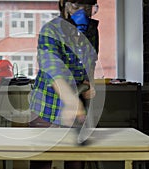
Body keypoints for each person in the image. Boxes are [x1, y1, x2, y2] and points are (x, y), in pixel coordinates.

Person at [29, 0, 99, 168]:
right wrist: (71, 101)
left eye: (88, 8)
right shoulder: (50, 30)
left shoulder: (92, 31)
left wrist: (91, 83)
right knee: (42, 163)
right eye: (76, 6)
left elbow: (91, 62)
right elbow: (52, 69)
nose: (82, 13)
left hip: (76, 108)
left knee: (76, 162)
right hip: (47, 107)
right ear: (63, 5)